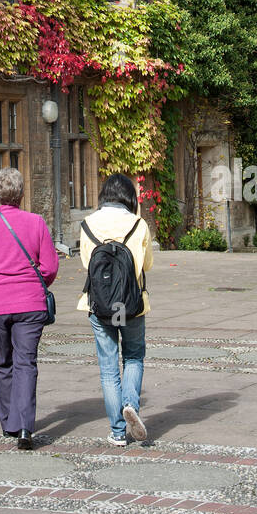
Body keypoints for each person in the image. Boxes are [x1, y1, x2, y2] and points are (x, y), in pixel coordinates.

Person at [0, 166, 59, 450]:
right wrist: (33, 284)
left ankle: (8, 421)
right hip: (30, 305)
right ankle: (24, 427)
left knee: (4, 360)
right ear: (21, 194)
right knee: (26, 363)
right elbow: (50, 267)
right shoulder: (37, 223)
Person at [78, 172, 154, 446]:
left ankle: (118, 432)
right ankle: (130, 403)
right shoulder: (139, 224)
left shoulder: (87, 224)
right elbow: (146, 266)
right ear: (129, 197)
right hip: (131, 305)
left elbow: (87, 264)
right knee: (133, 357)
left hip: (100, 305)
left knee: (108, 368)